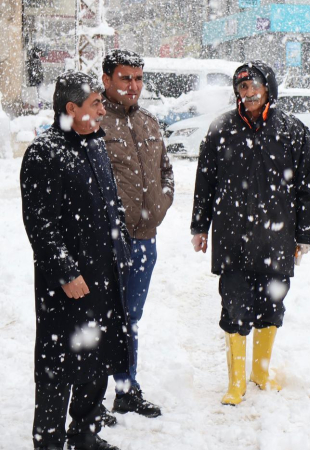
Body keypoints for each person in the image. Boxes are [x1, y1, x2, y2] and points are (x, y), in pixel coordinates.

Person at [191, 61, 310, 406]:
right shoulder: (220, 129)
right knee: (233, 308)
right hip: (232, 240)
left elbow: (309, 188)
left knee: (271, 306)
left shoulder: (293, 130)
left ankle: (260, 372)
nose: (247, 94)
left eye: (253, 86)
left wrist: (305, 234)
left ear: (268, 88)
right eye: (242, 87)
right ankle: (236, 383)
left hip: (277, 239)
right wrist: (199, 226)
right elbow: (205, 182)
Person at [21, 71, 131, 450]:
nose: (103, 110)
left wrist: (123, 248)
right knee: (58, 367)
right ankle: (48, 441)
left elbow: (112, 205)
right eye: (95, 104)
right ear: (71, 108)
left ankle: (85, 434)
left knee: (96, 358)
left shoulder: (95, 145)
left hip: (103, 277)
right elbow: (40, 224)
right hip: (66, 286)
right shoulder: (45, 151)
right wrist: (66, 272)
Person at [99, 49, 172, 419]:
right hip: (107, 243)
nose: (133, 86)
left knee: (130, 319)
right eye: (125, 78)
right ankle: (91, 397)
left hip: (145, 240)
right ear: (107, 79)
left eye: (139, 78)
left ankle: (126, 390)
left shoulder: (149, 122)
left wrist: (163, 201)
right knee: (101, 318)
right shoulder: (95, 121)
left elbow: (166, 171)